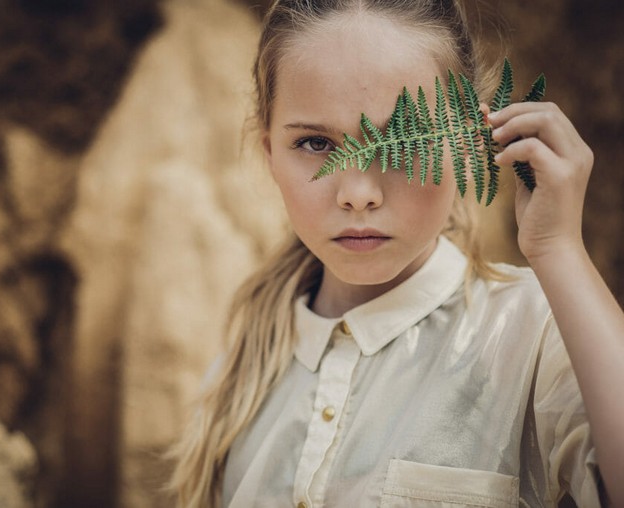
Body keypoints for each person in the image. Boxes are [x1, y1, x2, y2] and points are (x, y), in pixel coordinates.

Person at [168, 1, 624, 506]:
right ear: (268, 152)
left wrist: (560, 249)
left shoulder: (532, 333)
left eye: (400, 143)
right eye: (317, 143)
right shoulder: (244, 368)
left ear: (470, 140)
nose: (358, 192)